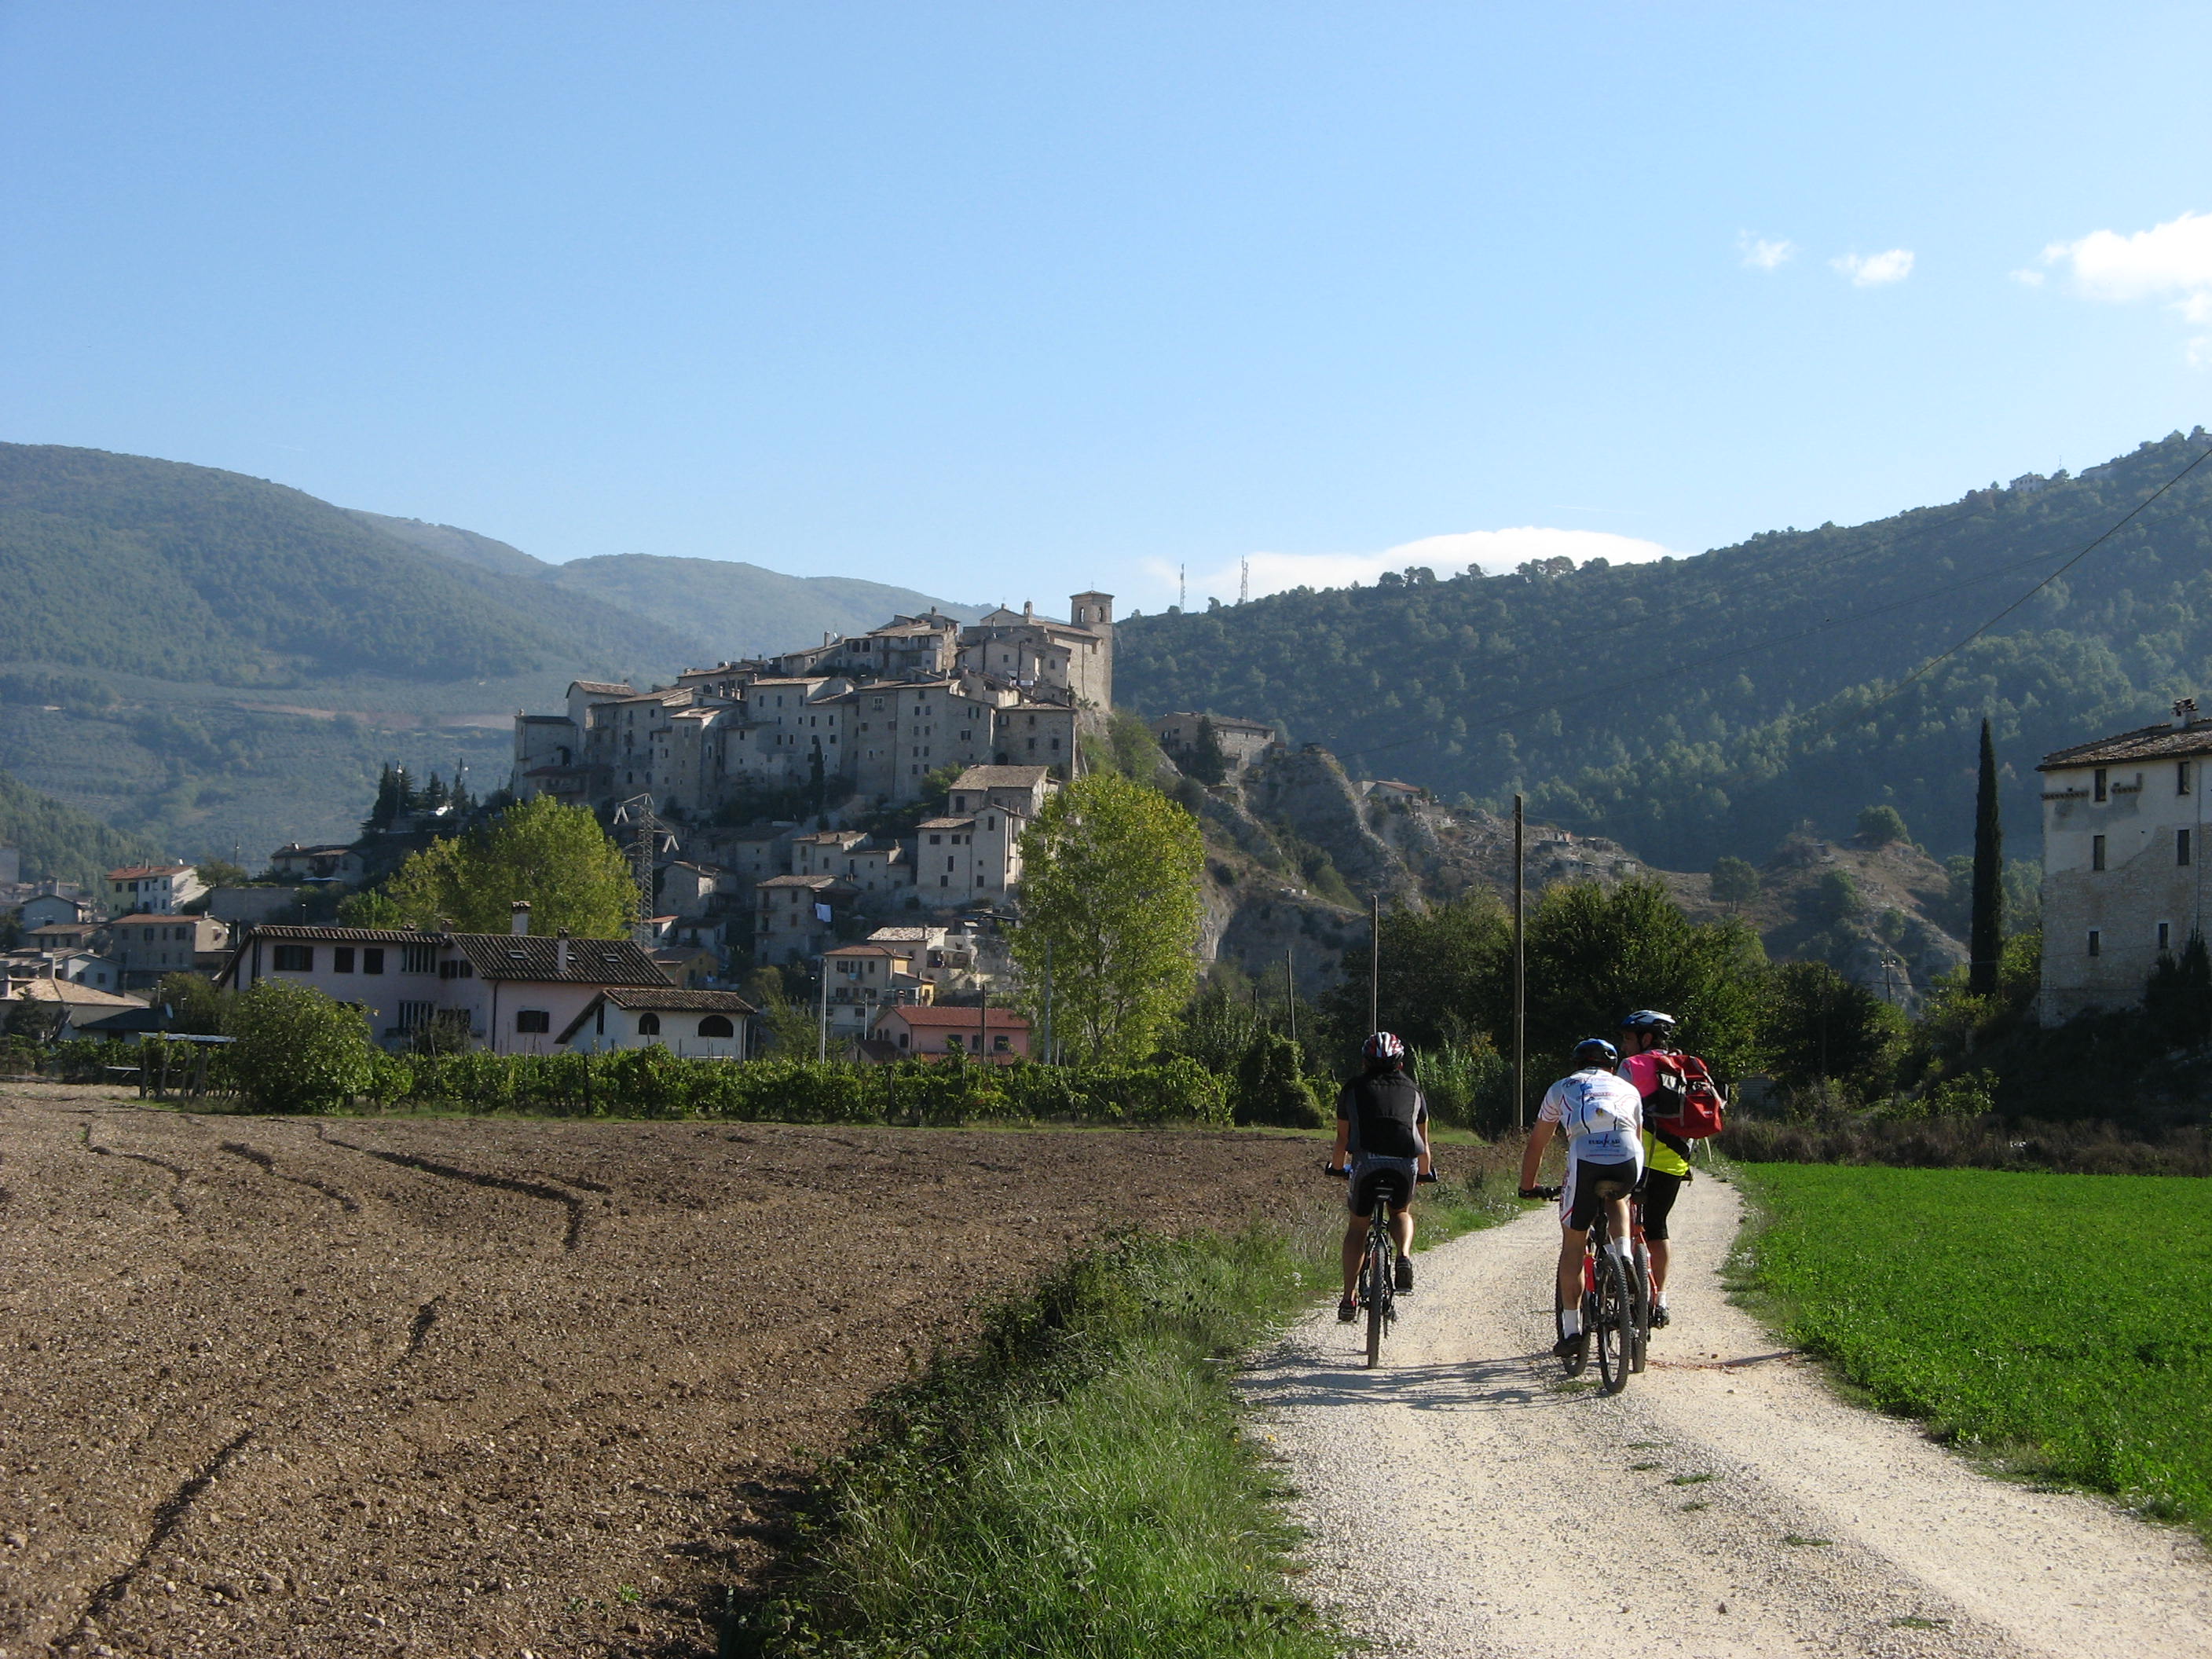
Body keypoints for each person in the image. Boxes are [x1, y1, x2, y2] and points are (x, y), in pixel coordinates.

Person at [1518, 1037, 1644, 1358]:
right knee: (1617, 1198)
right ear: (1612, 1067)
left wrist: (1528, 1186)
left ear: (1577, 1065)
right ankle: (1624, 1257)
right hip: (1628, 1155)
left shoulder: (1561, 1088)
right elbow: (1638, 1136)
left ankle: (1572, 1332)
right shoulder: (1628, 1089)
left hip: (1586, 1155)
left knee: (1574, 1242)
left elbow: (1538, 1143)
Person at [1327, 1031, 1433, 1322]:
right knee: (1400, 1211)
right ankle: (1403, 1256)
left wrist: (1337, 1167)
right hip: (1404, 1164)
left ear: (1364, 1062)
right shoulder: (1414, 1090)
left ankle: (1348, 1298)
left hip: (1367, 1163)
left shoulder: (1352, 1089)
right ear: (1401, 1064)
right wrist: (1425, 1173)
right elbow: (1423, 1141)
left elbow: (1342, 1138)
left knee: (1358, 1227)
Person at [1616, 1009, 1691, 1328]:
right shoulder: (1684, 1066)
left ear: (1646, 1038)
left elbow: (1615, 1111)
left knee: (1615, 1215)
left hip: (1636, 1159)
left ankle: (1619, 1277)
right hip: (1674, 1161)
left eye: (1628, 1039)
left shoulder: (1631, 1066)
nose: (1624, 1046)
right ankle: (1660, 1299)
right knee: (1657, 1226)